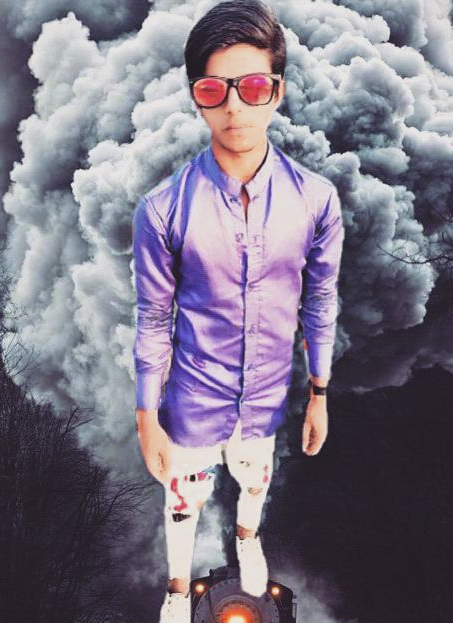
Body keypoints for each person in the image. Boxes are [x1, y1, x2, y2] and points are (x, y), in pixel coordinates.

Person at [132, 1, 344, 620]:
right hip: (193, 398)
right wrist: (146, 416)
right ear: (196, 97)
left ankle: (249, 538)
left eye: (252, 87)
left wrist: (319, 393)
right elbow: (153, 318)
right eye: (213, 90)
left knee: (255, 481)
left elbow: (320, 299)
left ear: (276, 91)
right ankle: (177, 590)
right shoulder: (162, 209)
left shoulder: (317, 200)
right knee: (183, 502)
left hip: (266, 396)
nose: (234, 107)